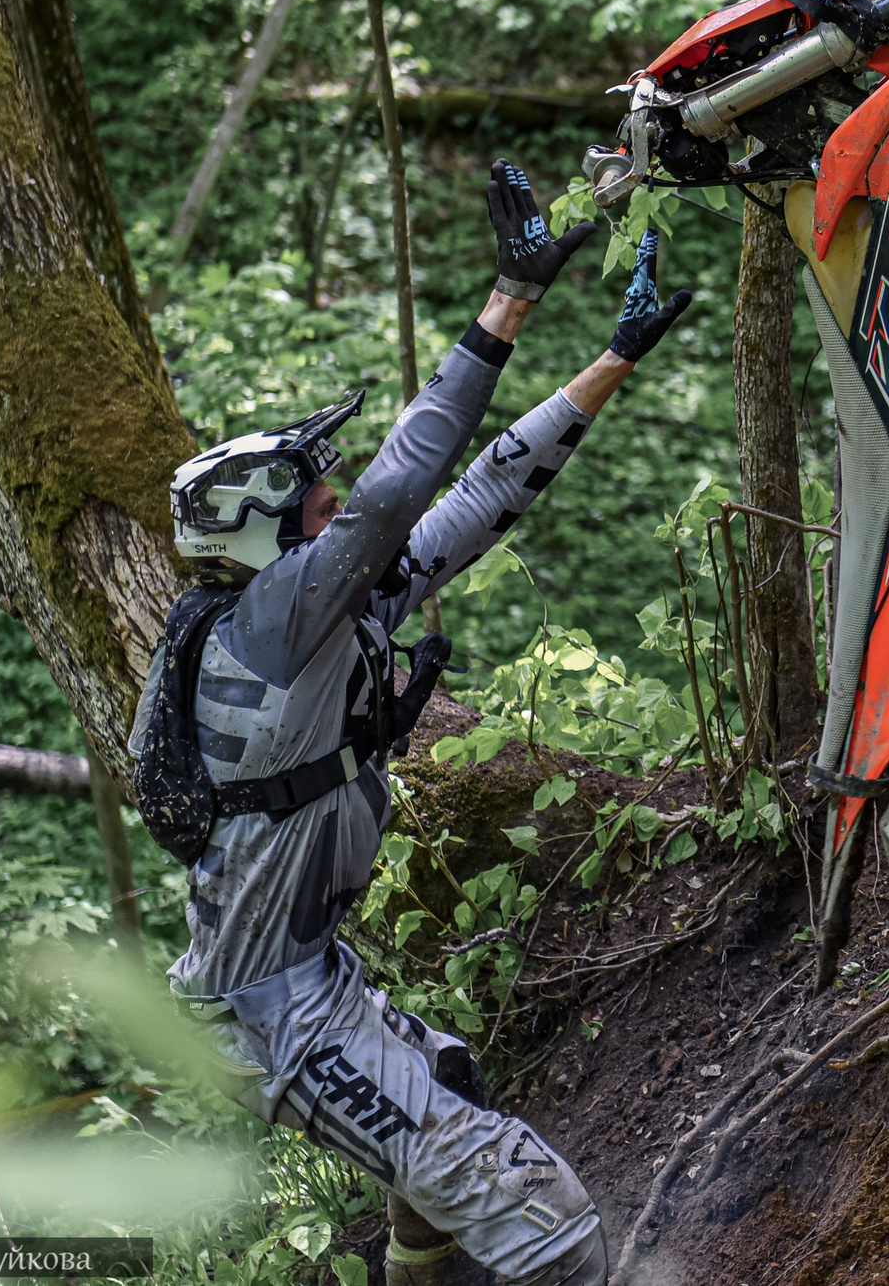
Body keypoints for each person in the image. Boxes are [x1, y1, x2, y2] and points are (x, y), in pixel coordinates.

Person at [133, 161, 692, 1286]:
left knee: (447, 1114)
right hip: (267, 1016)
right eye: (315, 501)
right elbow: (402, 483)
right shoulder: (268, 621)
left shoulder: (327, 608)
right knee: (548, 1215)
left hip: (303, 975)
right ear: (262, 532)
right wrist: (508, 301)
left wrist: (615, 358)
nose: (338, 506)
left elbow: (476, 496)